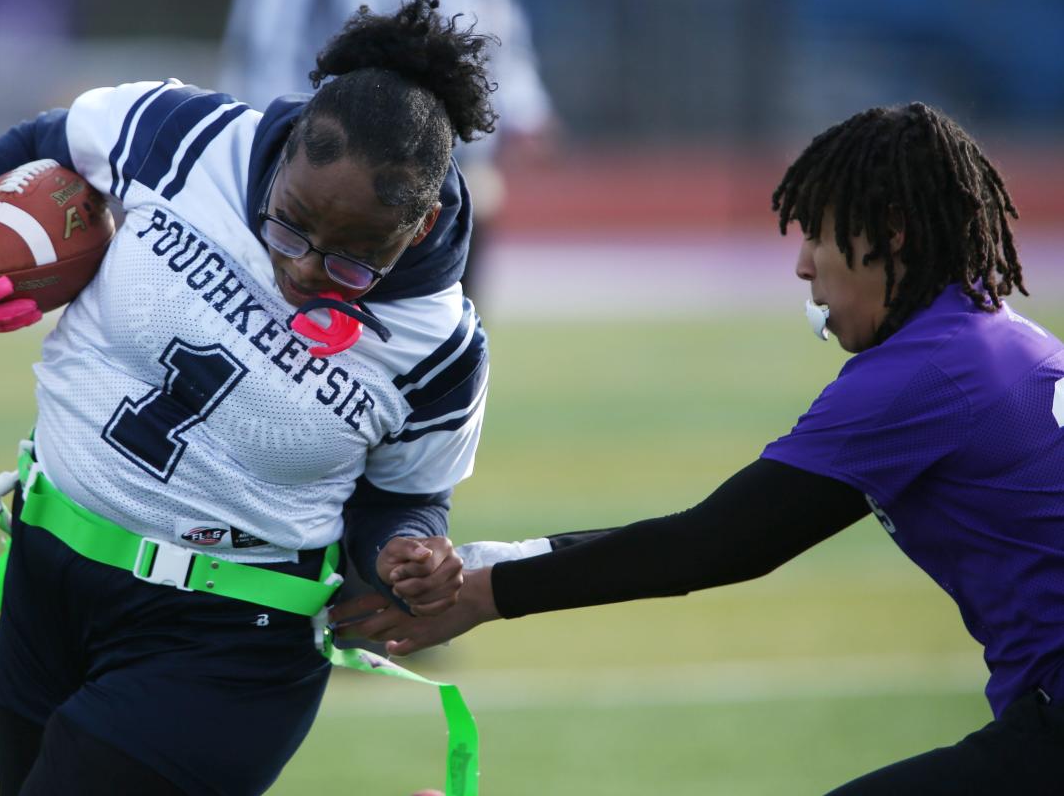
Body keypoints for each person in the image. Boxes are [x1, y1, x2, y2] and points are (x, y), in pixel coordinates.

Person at [334, 102, 1064, 795]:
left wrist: (481, 591)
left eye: (819, 233)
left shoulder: (924, 372)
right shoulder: (1001, 343)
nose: (804, 265)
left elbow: (712, 545)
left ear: (895, 230)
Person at [0, 0, 495, 796]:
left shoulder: (440, 344)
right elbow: (48, 136)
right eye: (291, 222)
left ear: (415, 231)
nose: (307, 266)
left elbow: (407, 499)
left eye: (355, 257)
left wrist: (404, 554)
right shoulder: (184, 135)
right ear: (282, 156)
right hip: (51, 571)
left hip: (226, 639)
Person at [219, 0, 556, 295]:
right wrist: (268, 140)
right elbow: (266, 43)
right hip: (339, 170)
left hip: (450, 167)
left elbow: (500, 36)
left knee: (444, 323)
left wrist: (523, 108)